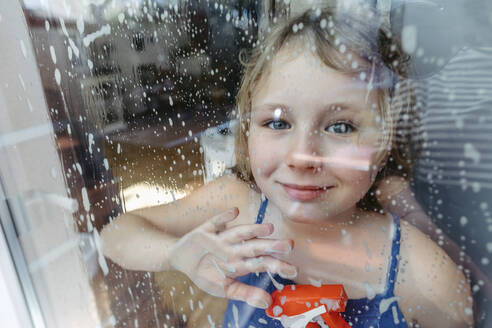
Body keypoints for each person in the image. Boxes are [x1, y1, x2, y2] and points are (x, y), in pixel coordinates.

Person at [101, 7, 473, 328]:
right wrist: (174, 254)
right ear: (247, 132)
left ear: (383, 144)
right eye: (277, 123)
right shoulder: (240, 207)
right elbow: (116, 234)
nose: (301, 156)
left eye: (341, 127)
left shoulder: (420, 271)